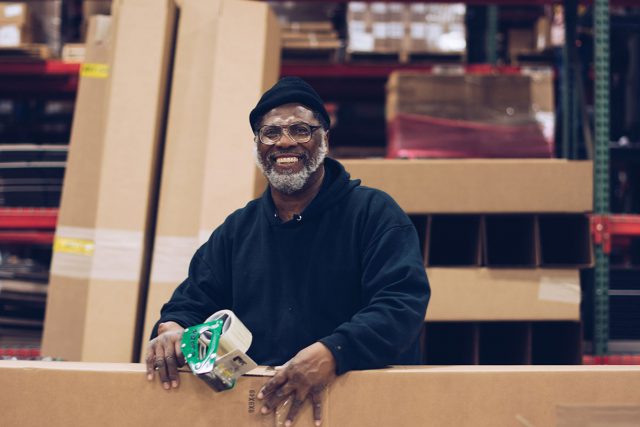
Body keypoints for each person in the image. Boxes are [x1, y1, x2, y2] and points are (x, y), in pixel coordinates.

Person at [146, 76, 430, 426]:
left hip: (362, 409)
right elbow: (191, 302)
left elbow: (401, 306)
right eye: (271, 133)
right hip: (264, 412)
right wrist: (171, 328)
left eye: (300, 130)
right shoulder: (238, 230)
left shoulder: (374, 214)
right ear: (257, 144)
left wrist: (333, 352)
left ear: (325, 138)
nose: (285, 142)